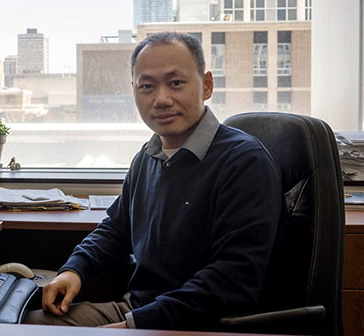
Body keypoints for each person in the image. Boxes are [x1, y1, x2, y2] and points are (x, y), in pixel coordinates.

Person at [23, 32, 284, 330]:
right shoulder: (149, 156)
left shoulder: (243, 162)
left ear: (207, 85)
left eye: (176, 83)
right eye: (147, 86)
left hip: (195, 323)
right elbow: (116, 230)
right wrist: (74, 271)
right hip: (138, 309)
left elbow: (232, 281)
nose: (161, 99)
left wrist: (134, 326)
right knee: (17, 325)